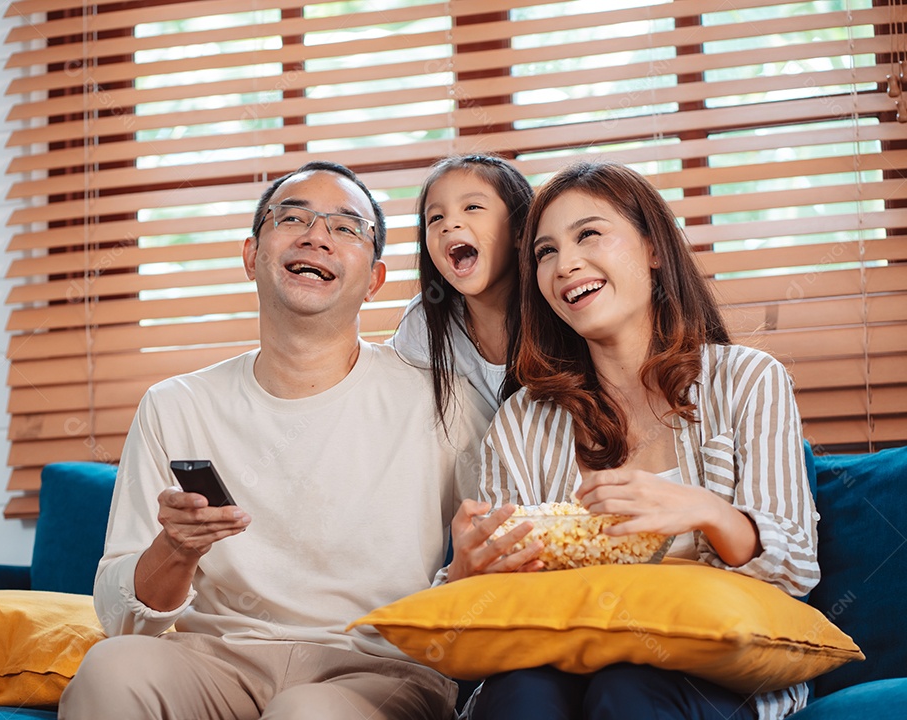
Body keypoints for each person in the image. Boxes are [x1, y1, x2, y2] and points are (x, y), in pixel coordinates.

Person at [59, 161, 492, 720]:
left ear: (374, 280)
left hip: (377, 669)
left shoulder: (444, 401)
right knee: (109, 669)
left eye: (345, 227)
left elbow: (500, 551)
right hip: (218, 660)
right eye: (292, 218)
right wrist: (177, 549)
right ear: (251, 255)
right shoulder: (175, 405)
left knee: (307, 713)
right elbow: (122, 620)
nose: (316, 237)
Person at [445, 161, 820, 720]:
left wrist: (709, 512)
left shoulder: (747, 380)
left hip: (709, 670)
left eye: (589, 234)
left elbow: (797, 569)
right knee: (519, 694)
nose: (565, 264)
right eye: (546, 252)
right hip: (560, 661)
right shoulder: (521, 421)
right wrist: (465, 572)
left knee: (627, 688)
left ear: (653, 249)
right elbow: (488, 607)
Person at [391, 154, 533, 419]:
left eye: (472, 207)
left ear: (518, 230)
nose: (449, 224)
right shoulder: (424, 320)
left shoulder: (557, 309)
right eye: (435, 217)